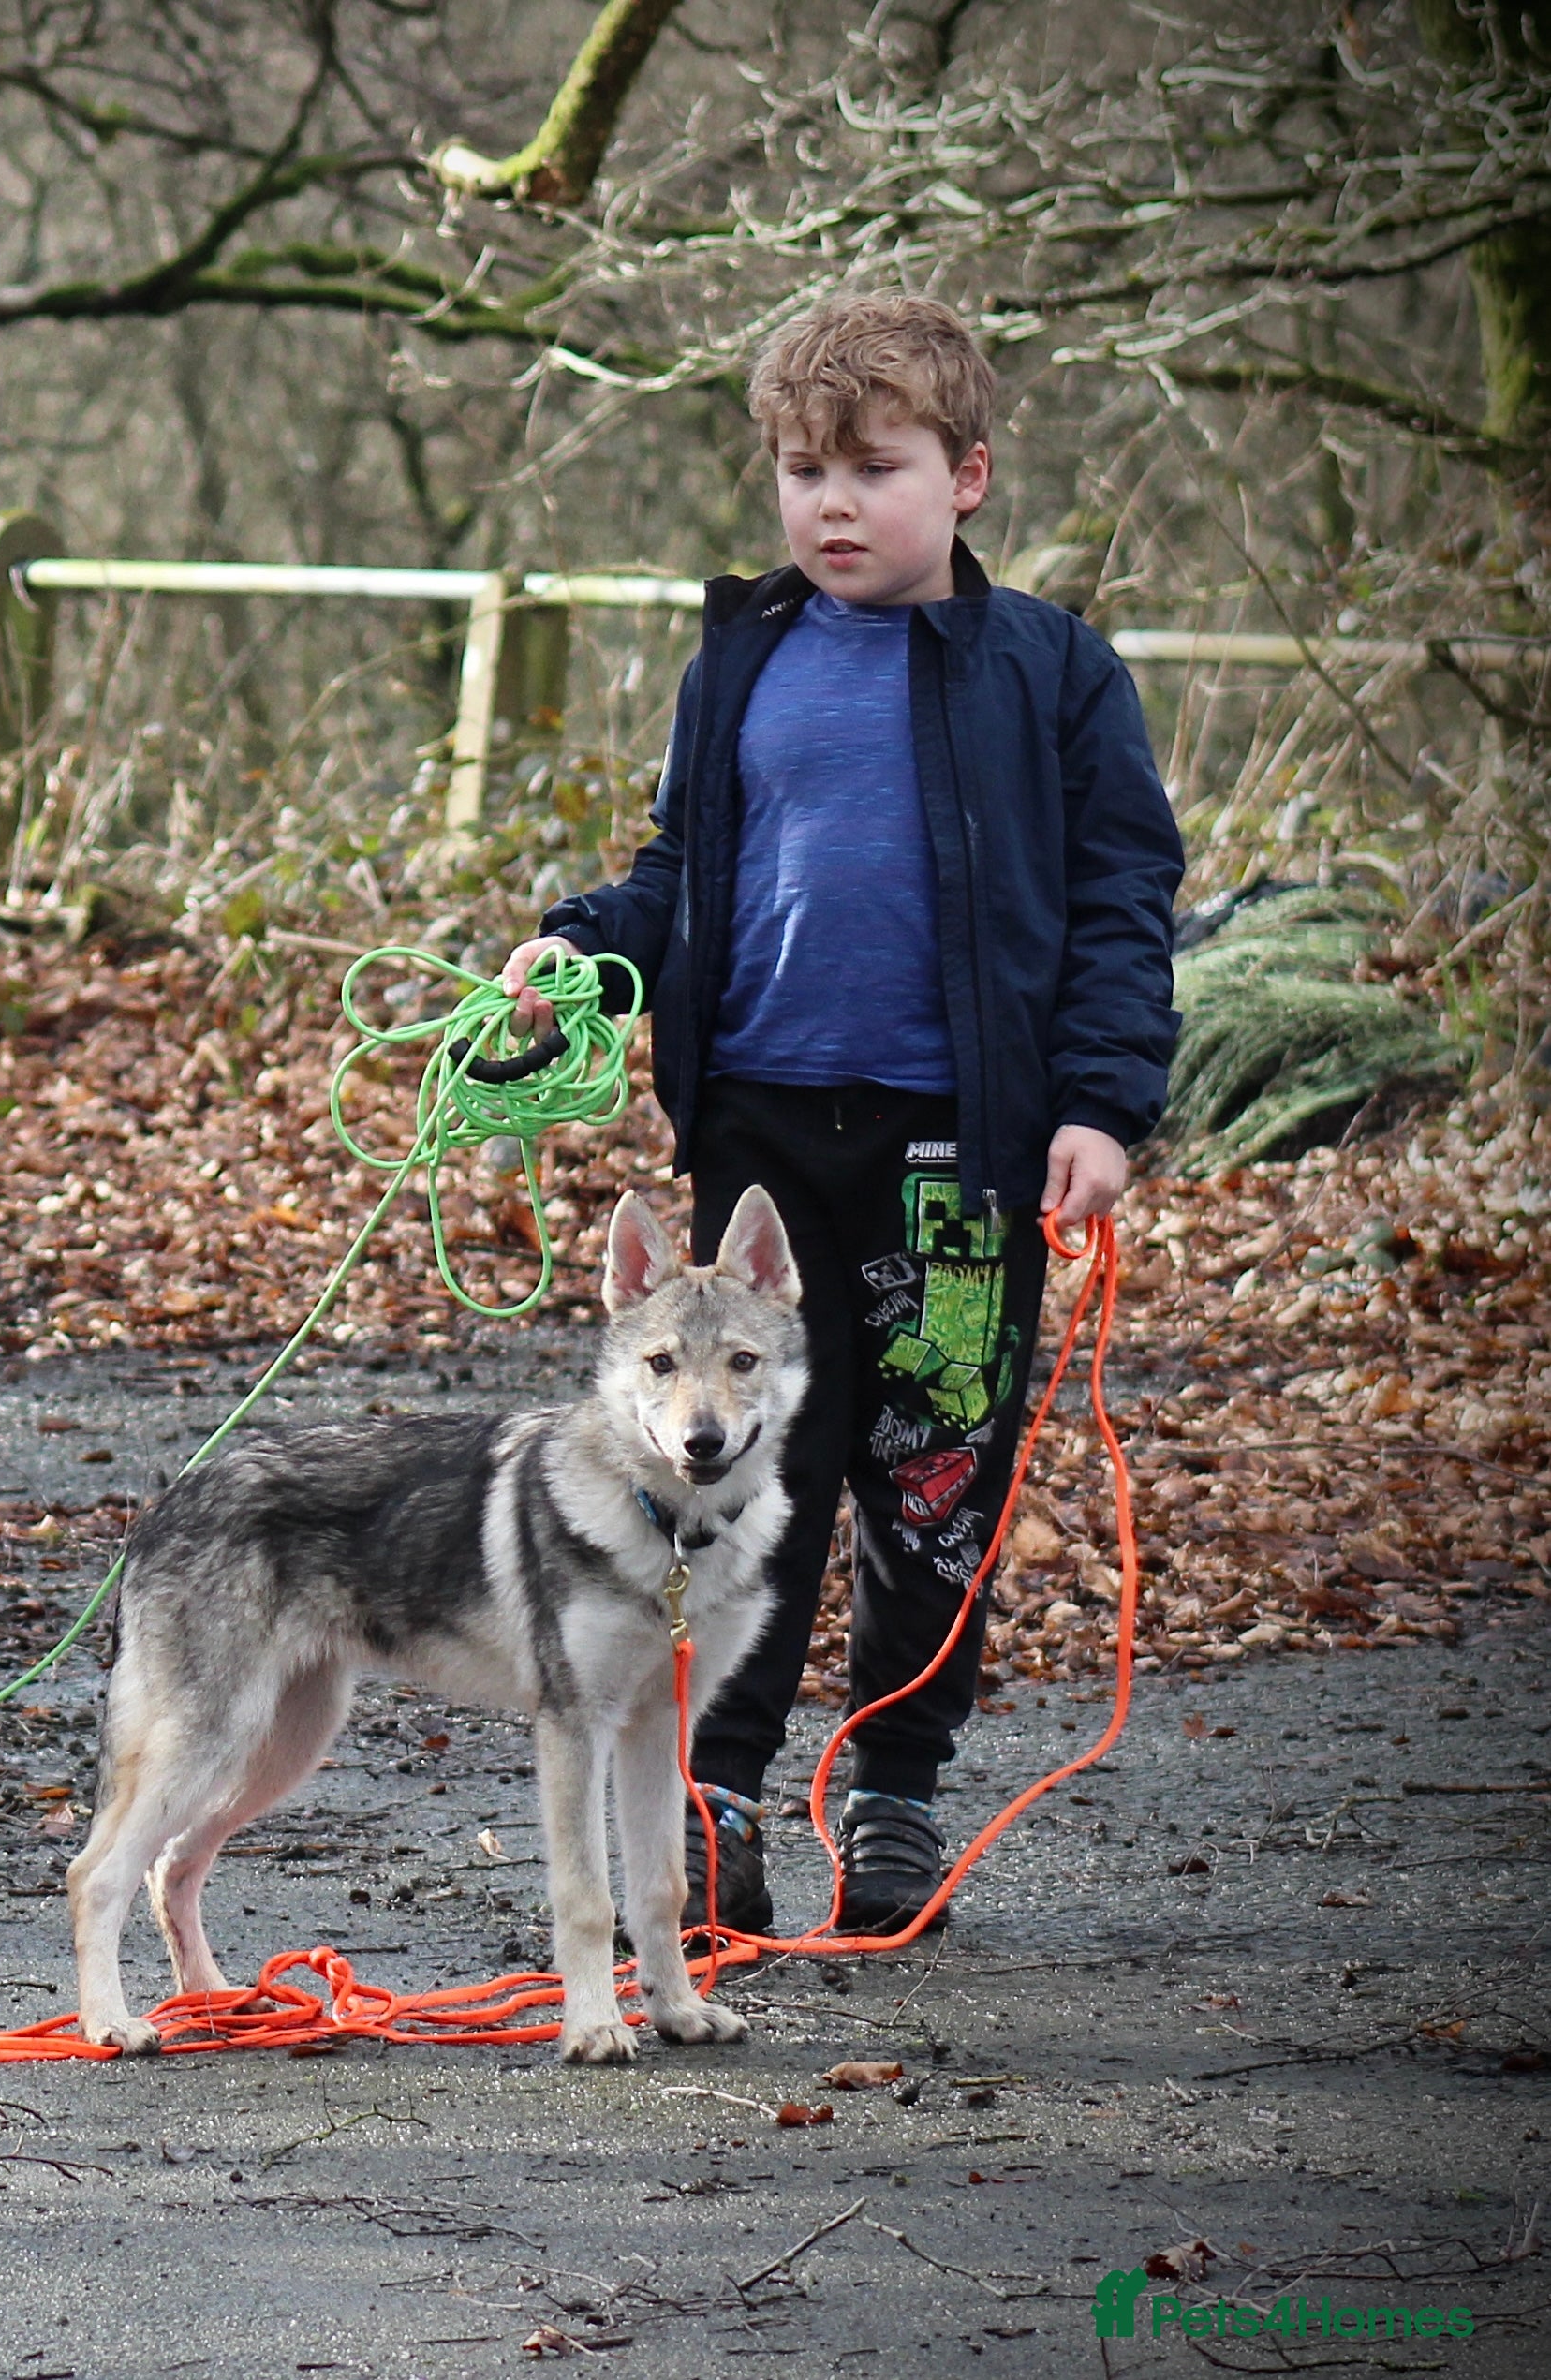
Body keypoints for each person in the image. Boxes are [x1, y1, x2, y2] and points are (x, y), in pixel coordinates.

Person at [500, 291, 1183, 1939]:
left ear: (965, 475)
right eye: (800, 468)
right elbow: (678, 870)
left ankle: (892, 1794)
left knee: (930, 1472)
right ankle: (717, 1795)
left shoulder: (1048, 671)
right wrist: (585, 949)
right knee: (738, 1474)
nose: (827, 503)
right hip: (759, 1143)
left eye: (869, 468)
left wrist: (1098, 1100)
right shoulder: (737, 661)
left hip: (961, 1143)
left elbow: (1121, 895)